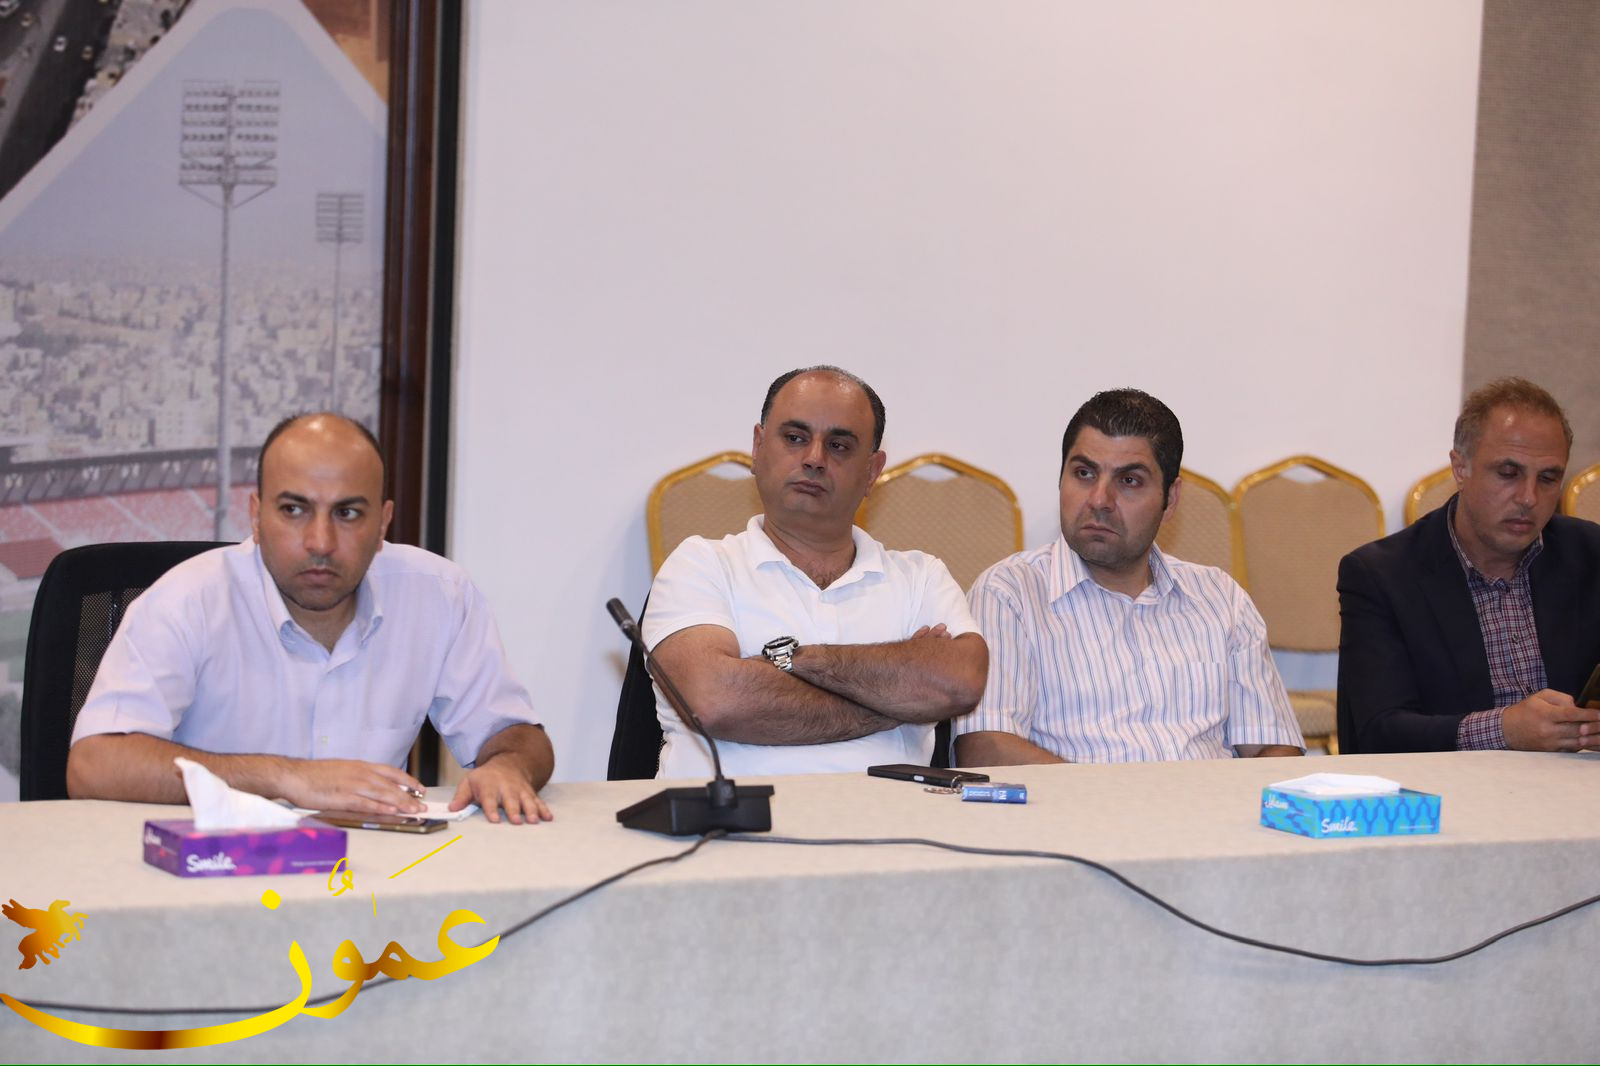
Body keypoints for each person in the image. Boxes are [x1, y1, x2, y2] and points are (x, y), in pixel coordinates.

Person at [67, 413, 555, 824]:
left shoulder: (440, 595)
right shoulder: (185, 601)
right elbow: (93, 765)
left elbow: (520, 737)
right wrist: (288, 777)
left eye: (348, 514)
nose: (320, 542)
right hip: (210, 871)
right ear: (256, 515)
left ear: (383, 523)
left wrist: (509, 766)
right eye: (294, 509)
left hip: (371, 878)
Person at [643, 366, 988, 777]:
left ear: (872, 471)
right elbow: (715, 702)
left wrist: (793, 660)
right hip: (733, 816)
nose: (814, 459)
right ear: (757, 447)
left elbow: (960, 682)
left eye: (839, 445)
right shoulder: (700, 564)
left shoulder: (921, 576)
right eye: (795, 438)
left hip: (890, 816)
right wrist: (899, 702)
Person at [953, 389, 1303, 766]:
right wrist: (1112, 797)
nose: (1099, 500)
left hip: (1208, 803)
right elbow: (985, 748)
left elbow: (1273, 747)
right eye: (1084, 473)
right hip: (1072, 804)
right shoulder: (1010, 594)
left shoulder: (1221, 599)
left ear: (1170, 499)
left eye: (1129, 481)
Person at [1337, 378, 1600, 753]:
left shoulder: (1590, 554)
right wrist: (1504, 730)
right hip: (1451, 784)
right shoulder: (1381, 575)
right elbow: (1378, 732)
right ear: (1460, 468)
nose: (1529, 498)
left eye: (1547, 478)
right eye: (1508, 473)